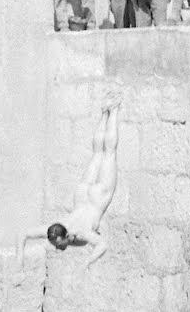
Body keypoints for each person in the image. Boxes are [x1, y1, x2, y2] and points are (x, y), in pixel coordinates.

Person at [20, 97, 120, 268]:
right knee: (98, 153)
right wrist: (18, 260)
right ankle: (104, 113)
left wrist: (87, 262)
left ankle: (114, 109)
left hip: (96, 198)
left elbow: (102, 244)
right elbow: (23, 234)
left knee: (107, 153)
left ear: (65, 236)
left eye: (59, 244)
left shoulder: (81, 234)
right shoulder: (53, 229)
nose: (58, 249)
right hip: (82, 196)